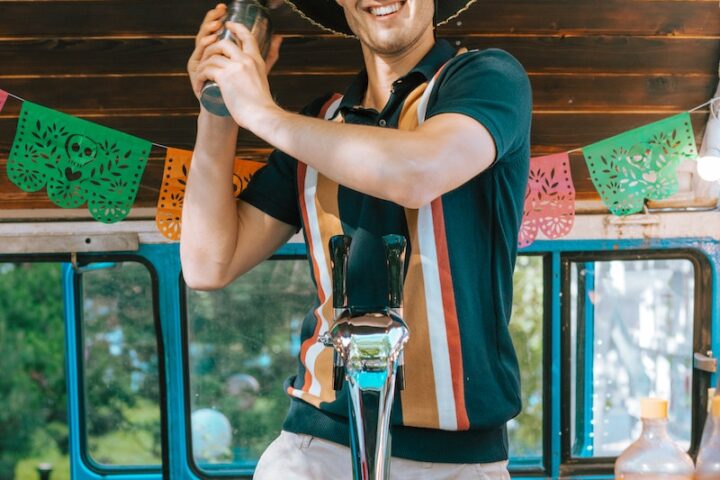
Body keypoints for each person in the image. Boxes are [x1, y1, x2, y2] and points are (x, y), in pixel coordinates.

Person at [181, 0, 532, 476]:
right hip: (312, 445)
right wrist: (219, 106)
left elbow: (416, 171)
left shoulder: (488, 78)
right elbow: (206, 264)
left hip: (456, 462)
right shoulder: (318, 122)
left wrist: (261, 113)